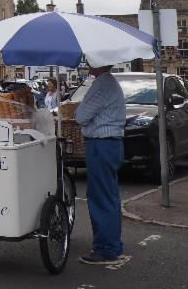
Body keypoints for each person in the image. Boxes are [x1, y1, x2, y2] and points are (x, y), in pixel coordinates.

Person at [74, 64, 126, 265]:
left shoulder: (102, 84)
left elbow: (80, 116)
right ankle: (113, 245)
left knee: (100, 196)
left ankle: (106, 249)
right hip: (111, 143)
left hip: (101, 143)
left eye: (91, 60)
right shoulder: (110, 83)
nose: (88, 63)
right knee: (109, 196)